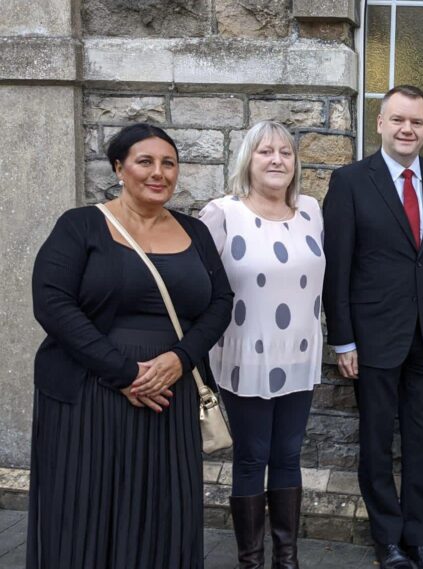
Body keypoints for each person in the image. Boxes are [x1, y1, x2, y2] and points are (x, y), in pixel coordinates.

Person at [27, 123, 233, 569]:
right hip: (89, 396)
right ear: (120, 168)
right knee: (86, 510)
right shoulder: (81, 225)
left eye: (169, 163)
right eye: (145, 161)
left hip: (171, 397)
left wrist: (180, 359)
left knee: (166, 511)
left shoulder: (195, 233)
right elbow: (52, 302)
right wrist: (125, 374)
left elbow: (220, 304)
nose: (158, 173)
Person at [322, 85, 423, 569]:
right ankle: (387, 540)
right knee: (376, 443)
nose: (408, 129)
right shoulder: (349, 182)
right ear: (380, 123)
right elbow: (337, 266)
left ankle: (422, 540)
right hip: (372, 340)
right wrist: (342, 338)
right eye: (399, 120)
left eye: (418, 122)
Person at [199, 121, 324, 569]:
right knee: (252, 457)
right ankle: (251, 561)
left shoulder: (311, 209)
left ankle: (285, 559)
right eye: (265, 152)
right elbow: (199, 285)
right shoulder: (222, 212)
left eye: (286, 153)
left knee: (289, 455)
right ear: (247, 160)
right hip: (243, 356)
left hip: (300, 354)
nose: (277, 160)